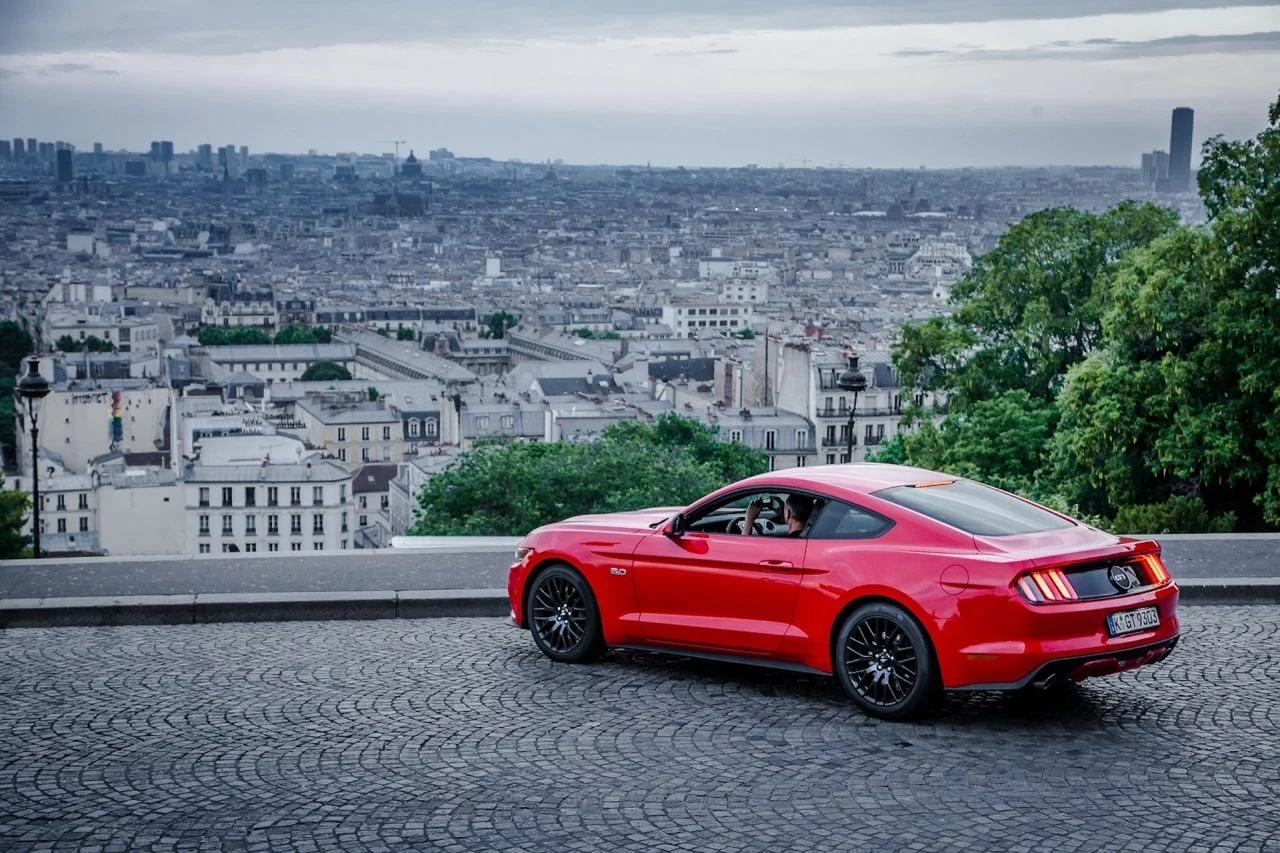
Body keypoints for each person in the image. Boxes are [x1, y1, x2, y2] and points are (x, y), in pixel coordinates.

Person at [743, 493, 815, 536]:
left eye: (785, 510)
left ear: (788, 513)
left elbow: (743, 549)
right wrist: (782, 516)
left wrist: (749, 519)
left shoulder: (784, 543)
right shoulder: (810, 535)